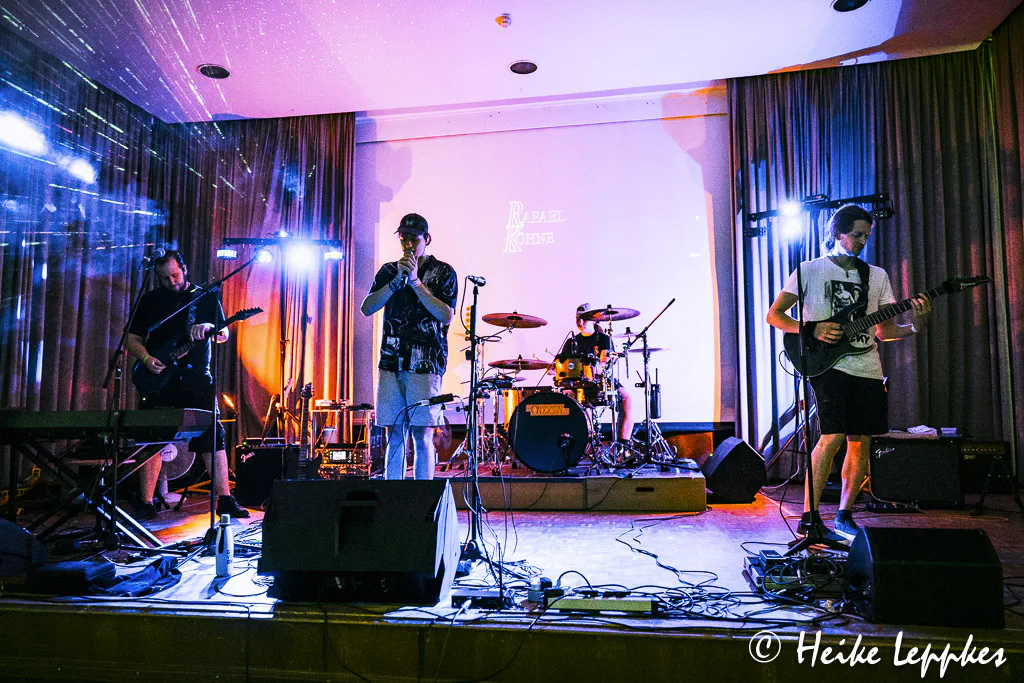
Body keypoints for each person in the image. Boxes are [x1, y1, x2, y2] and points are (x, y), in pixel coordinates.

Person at [766, 204, 931, 540]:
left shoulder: (877, 276)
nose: (862, 241)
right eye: (856, 234)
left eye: (866, 236)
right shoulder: (810, 270)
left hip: (867, 367)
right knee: (832, 436)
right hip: (828, 364)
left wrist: (916, 324)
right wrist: (810, 328)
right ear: (836, 233)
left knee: (861, 441)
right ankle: (810, 517)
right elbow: (775, 315)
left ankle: (844, 515)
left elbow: (884, 332)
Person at [126, 251, 249, 520]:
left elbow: (223, 333)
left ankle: (225, 499)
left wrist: (208, 326)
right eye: (165, 278)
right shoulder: (150, 300)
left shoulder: (205, 296)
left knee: (212, 436)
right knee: (151, 437)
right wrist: (145, 358)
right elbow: (132, 338)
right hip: (159, 379)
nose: (171, 282)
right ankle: (146, 502)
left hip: (196, 378)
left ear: (184, 268)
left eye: (175, 275)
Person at [360, 213, 457, 480]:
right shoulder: (389, 271)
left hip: (425, 363)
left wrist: (415, 281)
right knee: (394, 431)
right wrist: (395, 283)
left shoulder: (443, 272)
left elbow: (446, 315)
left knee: (421, 432)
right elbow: (367, 308)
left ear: (427, 239)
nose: (408, 245)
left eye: (414, 239)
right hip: (391, 361)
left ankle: (422, 493)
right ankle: (393, 492)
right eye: (403, 239)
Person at [557, 304, 634, 443]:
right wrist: (554, 369)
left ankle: (623, 445)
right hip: (576, 385)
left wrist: (592, 369)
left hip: (600, 381)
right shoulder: (571, 342)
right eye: (577, 319)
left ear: (594, 320)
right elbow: (563, 368)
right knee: (565, 396)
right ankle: (579, 443)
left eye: (584, 319)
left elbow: (604, 365)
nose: (580, 322)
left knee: (627, 399)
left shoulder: (604, 339)